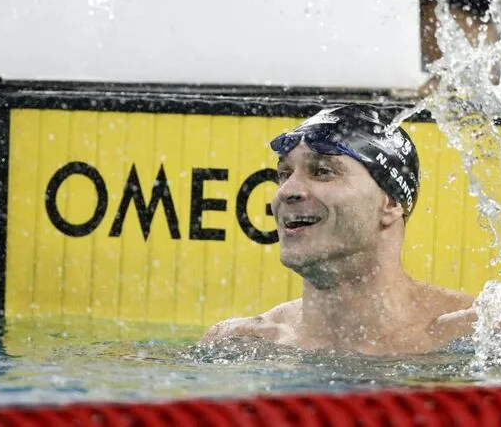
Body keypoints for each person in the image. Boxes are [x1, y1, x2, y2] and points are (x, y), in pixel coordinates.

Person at [203, 105, 476, 355]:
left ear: (391, 202)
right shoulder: (242, 344)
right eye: (284, 174)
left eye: (322, 171)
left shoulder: (473, 332)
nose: (286, 191)